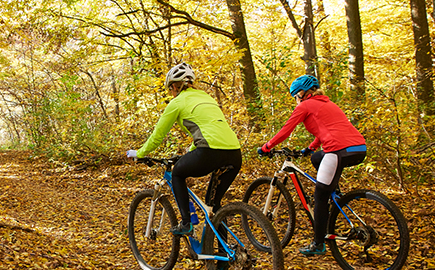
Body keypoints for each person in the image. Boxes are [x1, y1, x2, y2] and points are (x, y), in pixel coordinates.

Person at [126, 63, 242, 236]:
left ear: (174, 86)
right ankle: (223, 260)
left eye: (170, 88)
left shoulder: (177, 102)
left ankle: (186, 223)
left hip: (210, 151)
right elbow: (209, 129)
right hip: (234, 153)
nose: (171, 92)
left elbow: (158, 135)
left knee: (177, 174)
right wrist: (190, 152)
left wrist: (140, 153)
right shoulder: (206, 98)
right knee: (214, 205)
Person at [257, 74, 366, 256]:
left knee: (320, 196)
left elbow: (286, 130)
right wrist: (311, 148)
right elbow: (327, 130)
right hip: (358, 148)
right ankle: (335, 193)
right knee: (316, 158)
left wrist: (267, 146)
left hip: (338, 151)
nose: (296, 100)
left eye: (295, 96)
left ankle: (318, 244)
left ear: (303, 93)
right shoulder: (329, 104)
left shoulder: (305, 106)